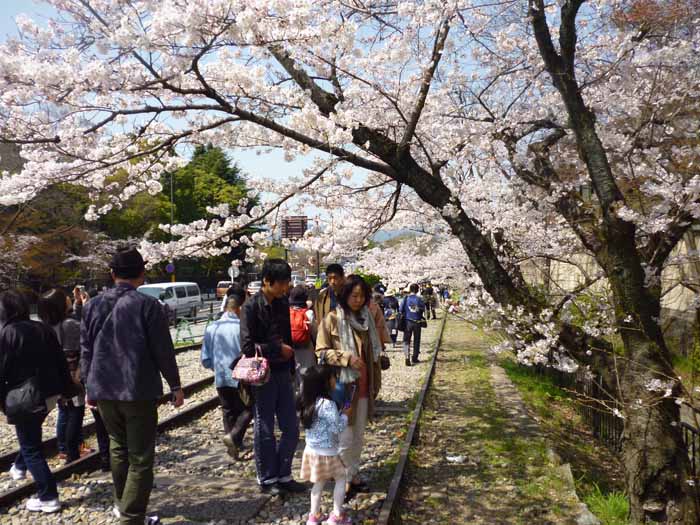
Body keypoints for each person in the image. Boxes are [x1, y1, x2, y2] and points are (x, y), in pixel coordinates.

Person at [81, 247, 184, 525]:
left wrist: (89, 386)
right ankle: (131, 516)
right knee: (140, 457)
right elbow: (163, 350)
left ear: (112, 273)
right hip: (137, 389)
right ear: (141, 274)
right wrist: (175, 385)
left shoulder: (91, 305)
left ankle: (123, 504)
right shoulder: (148, 306)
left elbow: (86, 350)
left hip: (103, 388)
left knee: (118, 446)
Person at [0, 290, 73, 514]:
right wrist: (68, 389)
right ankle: (19, 467)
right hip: (49, 394)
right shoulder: (42, 328)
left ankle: (48, 496)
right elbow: (60, 361)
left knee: (31, 447)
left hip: (25, 397)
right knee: (31, 436)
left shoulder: (8, 333)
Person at [240, 258, 304, 496]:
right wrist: (277, 349)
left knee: (291, 427)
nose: (286, 287)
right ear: (267, 281)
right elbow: (247, 347)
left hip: (283, 372)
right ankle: (267, 478)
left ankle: (284, 474)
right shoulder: (250, 307)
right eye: (282, 283)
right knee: (265, 428)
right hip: (262, 376)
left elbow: (287, 337)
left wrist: (290, 365)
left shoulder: (282, 303)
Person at [315, 274, 383, 499]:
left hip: (364, 387)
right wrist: (345, 358)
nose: (358, 300)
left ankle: (353, 474)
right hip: (341, 388)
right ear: (345, 296)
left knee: (358, 436)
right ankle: (341, 478)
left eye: (362, 296)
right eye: (354, 296)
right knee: (344, 437)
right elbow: (320, 352)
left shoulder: (366, 319)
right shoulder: (332, 319)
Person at [201, 285, 253, 460]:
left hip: (221, 377)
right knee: (248, 408)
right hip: (241, 378)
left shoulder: (212, 327)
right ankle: (234, 437)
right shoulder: (242, 327)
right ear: (239, 309)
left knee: (228, 410)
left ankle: (233, 444)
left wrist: (217, 367)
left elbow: (205, 359)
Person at [299, 365, 352, 525]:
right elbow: (337, 428)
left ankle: (314, 516)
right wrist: (345, 415)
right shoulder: (327, 404)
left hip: (311, 450)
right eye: (333, 377)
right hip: (327, 452)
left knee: (319, 482)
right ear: (325, 383)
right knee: (341, 478)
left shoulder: (308, 401)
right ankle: (337, 516)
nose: (335, 379)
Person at [38, 289, 86, 465]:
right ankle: (73, 452)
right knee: (76, 413)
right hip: (73, 375)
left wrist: (78, 304)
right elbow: (82, 346)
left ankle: (63, 448)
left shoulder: (45, 326)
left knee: (64, 411)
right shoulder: (69, 325)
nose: (68, 298)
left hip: (56, 375)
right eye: (65, 298)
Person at [290, 285, 317, 386]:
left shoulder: (287, 313)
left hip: (292, 351)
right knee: (307, 380)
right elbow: (315, 334)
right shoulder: (309, 313)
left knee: (294, 381)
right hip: (307, 350)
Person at [400, 284, 426, 366]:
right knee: (416, 340)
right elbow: (423, 309)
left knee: (406, 340)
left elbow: (400, 309)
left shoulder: (405, 298)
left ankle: (406, 356)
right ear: (417, 290)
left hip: (407, 322)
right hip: (417, 322)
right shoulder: (419, 299)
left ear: (410, 290)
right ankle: (415, 357)